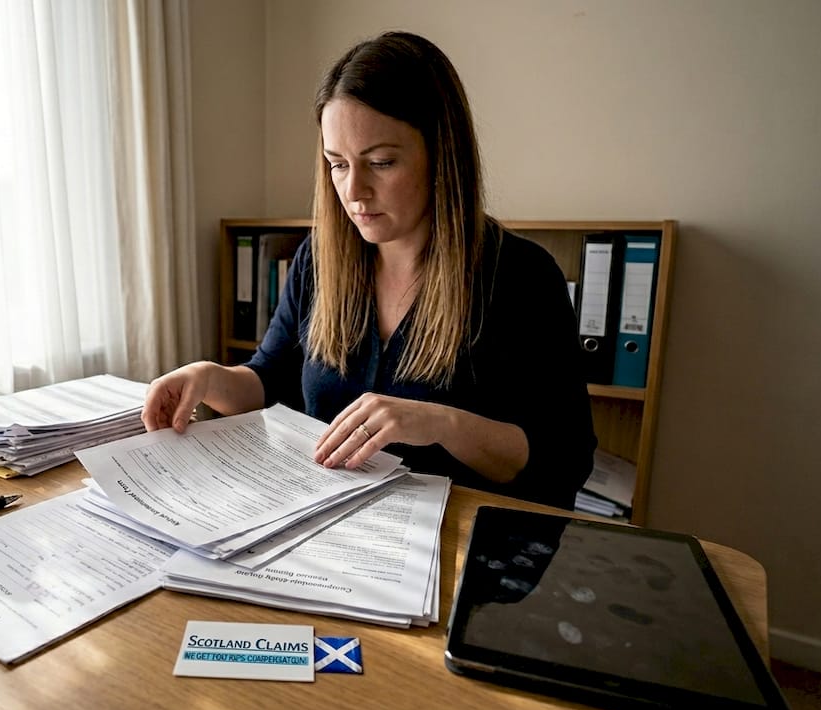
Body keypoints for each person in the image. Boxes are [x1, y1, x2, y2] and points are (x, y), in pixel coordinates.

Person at [143, 31, 596, 510]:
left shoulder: (521, 277)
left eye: (381, 162)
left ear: (441, 155)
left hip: (458, 542)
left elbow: (564, 459)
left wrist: (441, 424)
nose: (354, 191)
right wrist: (210, 378)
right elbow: (269, 380)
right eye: (337, 164)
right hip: (331, 528)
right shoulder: (319, 260)